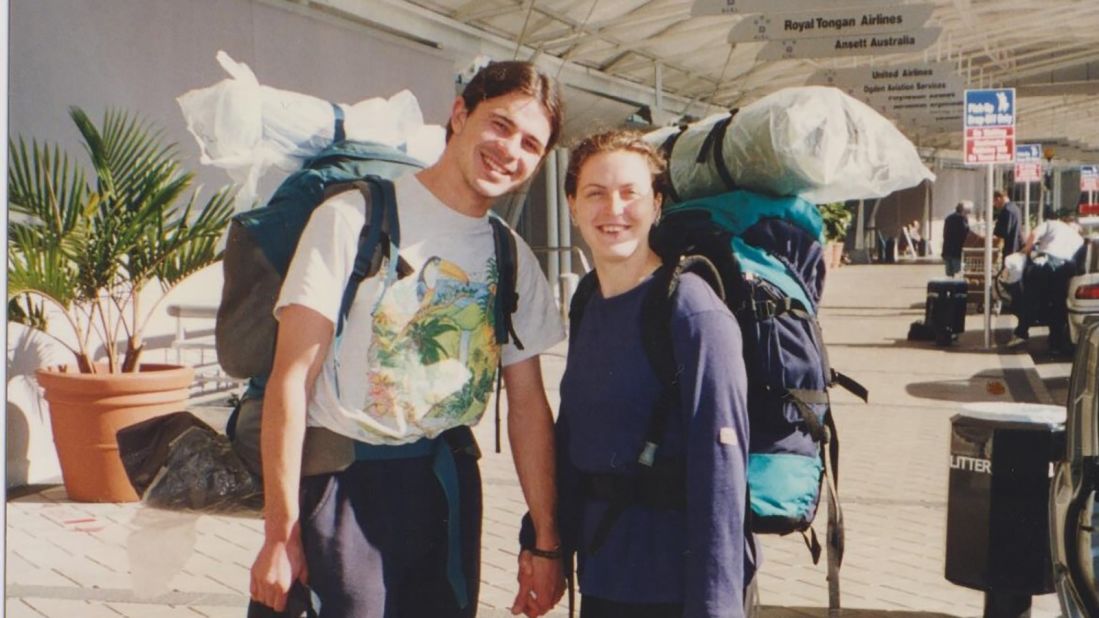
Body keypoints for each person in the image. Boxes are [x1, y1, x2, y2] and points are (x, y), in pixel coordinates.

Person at [249, 61, 567, 618]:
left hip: (443, 491)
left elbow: (529, 407)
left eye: (531, 144)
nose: (510, 151)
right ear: (460, 113)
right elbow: (290, 380)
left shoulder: (510, 255)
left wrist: (545, 540)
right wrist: (279, 534)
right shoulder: (353, 217)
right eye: (500, 124)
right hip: (343, 487)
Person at [515, 130, 753, 617]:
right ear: (572, 206)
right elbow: (575, 435)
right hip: (605, 578)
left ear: (657, 204)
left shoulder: (691, 311)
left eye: (630, 194)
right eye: (595, 194)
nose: (613, 210)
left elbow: (722, 479)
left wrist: (715, 608)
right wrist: (542, 542)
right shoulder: (587, 301)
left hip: (674, 592)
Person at [1008, 211, 1084, 353]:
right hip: (1064, 268)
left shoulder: (1052, 223)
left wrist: (1026, 250)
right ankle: (1055, 343)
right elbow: (1079, 262)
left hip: (1044, 262)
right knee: (1058, 305)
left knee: (1031, 299)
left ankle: (1021, 333)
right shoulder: (1079, 239)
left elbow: (1034, 234)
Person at [992, 190, 1024, 259]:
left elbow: (1004, 231)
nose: (994, 205)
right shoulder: (1016, 208)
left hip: (1010, 247)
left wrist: (996, 229)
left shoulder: (1007, 210)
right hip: (1017, 245)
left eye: (994, 202)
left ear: (999, 199)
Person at [942, 202, 971, 277]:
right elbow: (966, 233)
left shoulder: (948, 218)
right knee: (957, 273)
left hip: (947, 249)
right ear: (963, 210)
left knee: (949, 274)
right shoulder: (962, 219)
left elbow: (944, 234)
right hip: (957, 251)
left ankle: (949, 287)